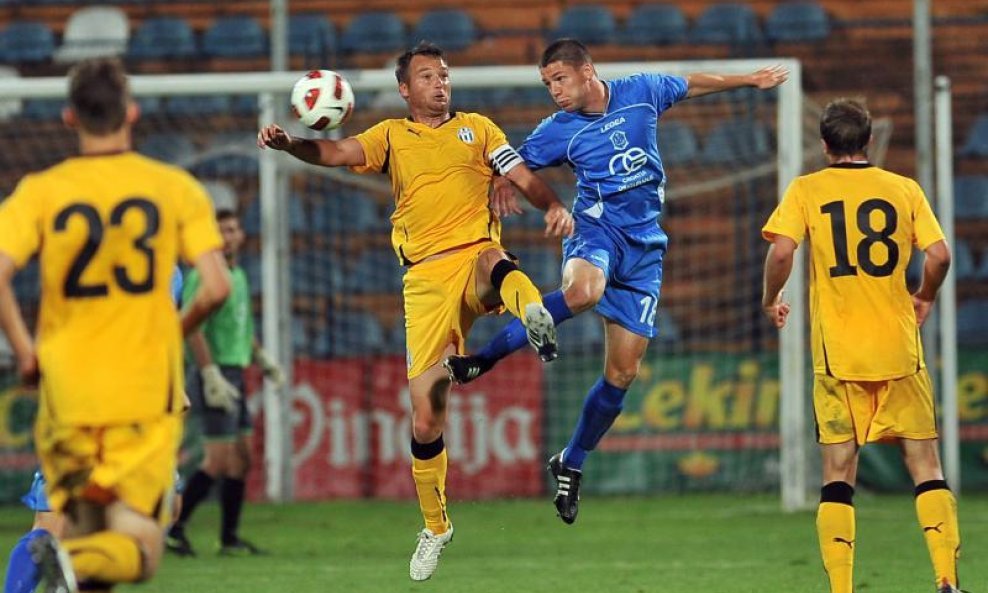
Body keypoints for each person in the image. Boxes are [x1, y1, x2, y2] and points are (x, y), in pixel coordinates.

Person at [258, 41, 573, 581]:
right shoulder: (389, 137)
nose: (440, 83)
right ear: (406, 89)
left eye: (444, 74)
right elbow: (334, 154)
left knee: (496, 259)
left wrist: (552, 206)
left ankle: (533, 317)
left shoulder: (479, 128)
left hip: (473, 252)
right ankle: (435, 525)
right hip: (424, 279)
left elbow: (520, 175)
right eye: (427, 77)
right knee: (426, 415)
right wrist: (292, 145)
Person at [442, 38, 788, 524]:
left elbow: (692, 83)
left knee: (622, 374)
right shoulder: (557, 130)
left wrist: (749, 80)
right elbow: (513, 164)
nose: (554, 92)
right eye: (547, 84)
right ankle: (482, 360)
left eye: (560, 79)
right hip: (596, 231)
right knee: (584, 291)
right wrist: (502, 181)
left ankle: (571, 461)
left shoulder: (643, 90)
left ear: (588, 72)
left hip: (645, 250)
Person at [0, 57, 230, 593]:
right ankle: (68, 564)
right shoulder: (173, 189)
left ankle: (63, 564)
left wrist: (25, 350)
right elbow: (216, 287)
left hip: (69, 393)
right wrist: (170, 336)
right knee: (141, 551)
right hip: (137, 396)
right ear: (133, 113)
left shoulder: (40, 190)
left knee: (84, 537)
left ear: (68, 118)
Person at [761, 98, 959, 593]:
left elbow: (781, 250)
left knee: (837, 471)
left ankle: (842, 590)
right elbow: (938, 255)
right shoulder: (902, 188)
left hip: (838, 355)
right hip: (899, 348)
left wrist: (771, 298)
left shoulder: (807, 189)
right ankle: (947, 581)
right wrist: (925, 296)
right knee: (925, 464)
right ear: (868, 141)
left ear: (824, 145)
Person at [4, 270, 186, 593]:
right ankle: (70, 574)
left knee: (56, 523)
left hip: (82, 399)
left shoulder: (88, 250)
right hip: (122, 409)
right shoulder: (156, 266)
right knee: (63, 524)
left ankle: (68, 573)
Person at [167, 209, 284, 557]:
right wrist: (209, 373)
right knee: (217, 460)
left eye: (233, 229)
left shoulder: (239, 277)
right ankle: (174, 529)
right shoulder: (203, 278)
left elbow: (241, 328)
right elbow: (192, 329)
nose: (228, 236)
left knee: (242, 459)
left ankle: (229, 539)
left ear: (241, 235)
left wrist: (263, 360)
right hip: (214, 374)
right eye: (221, 231)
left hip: (236, 371)